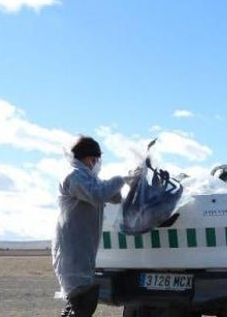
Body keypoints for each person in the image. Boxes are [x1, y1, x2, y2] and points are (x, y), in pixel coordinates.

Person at [52, 135, 139, 317]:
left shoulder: (87, 177)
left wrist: (128, 185)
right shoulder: (74, 176)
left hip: (82, 248)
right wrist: (121, 179)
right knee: (81, 302)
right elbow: (97, 195)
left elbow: (112, 196)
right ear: (88, 158)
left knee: (79, 303)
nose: (96, 164)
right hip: (72, 249)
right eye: (95, 159)